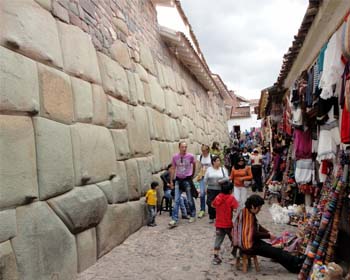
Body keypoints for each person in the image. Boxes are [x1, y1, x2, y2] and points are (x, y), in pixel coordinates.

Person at [232, 195, 305, 273]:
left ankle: (294, 263)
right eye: (259, 208)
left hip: (249, 241)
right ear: (253, 206)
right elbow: (253, 234)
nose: (259, 210)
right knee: (275, 252)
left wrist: (267, 232)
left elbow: (257, 226)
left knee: (275, 250)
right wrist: (268, 236)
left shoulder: (246, 211)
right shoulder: (247, 216)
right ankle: (295, 265)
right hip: (247, 245)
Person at [168, 142, 196, 228]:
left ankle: (192, 214)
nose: (184, 148)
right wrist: (171, 181)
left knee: (189, 199)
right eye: (182, 147)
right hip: (178, 180)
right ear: (179, 147)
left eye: (185, 147)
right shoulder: (175, 157)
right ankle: (174, 219)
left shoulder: (190, 156)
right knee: (176, 200)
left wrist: (192, 174)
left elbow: (194, 164)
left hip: (187, 179)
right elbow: (173, 168)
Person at [211, 180, 239, 265]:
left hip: (219, 224)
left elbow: (213, 205)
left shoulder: (218, 197)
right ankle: (234, 254)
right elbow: (235, 209)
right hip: (228, 224)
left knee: (218, 240)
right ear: (230, 191)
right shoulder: (231, 198)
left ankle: (216, 257)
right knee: (234, 239)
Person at [204, 155, 229, 223]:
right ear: (213, 162)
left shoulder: (223, 169)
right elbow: (205, 179)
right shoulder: (209, 169)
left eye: (219, 160)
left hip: (220, 189)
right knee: (210, 203)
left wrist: (222, 181)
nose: (219, 162)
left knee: (220, 203)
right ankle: (211, 216)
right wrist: (205, 187)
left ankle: (219, 216)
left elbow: (227, 178)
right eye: (217, 161)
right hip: (211, 189)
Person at [195, 144, 212, 218]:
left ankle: (211, 209)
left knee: (210, 193)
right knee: (202, 193)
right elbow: (198, 166)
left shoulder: (212, 156)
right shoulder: (200, 157)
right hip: (202, 176)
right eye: (202, 150)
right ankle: (202, 209)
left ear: (208, 150)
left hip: (210, 177)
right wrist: (198, 175)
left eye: (205, 150)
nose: (203, 152)